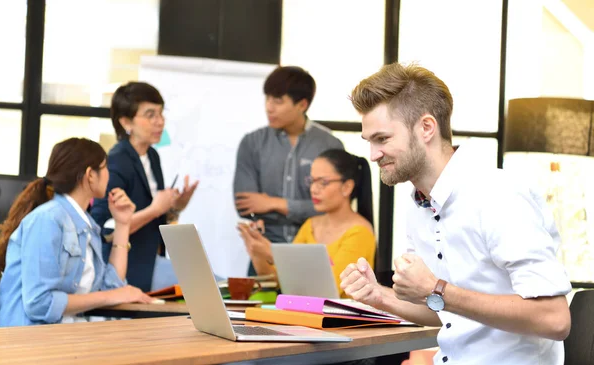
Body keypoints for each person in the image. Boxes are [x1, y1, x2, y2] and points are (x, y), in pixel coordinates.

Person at [339, 63, 572, 364]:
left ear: (426, 127)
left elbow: (554, 320)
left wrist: (436, 288)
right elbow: (445, 312)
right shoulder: (420, 203)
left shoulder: (498, 195)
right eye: (369, 141)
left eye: (382, 139)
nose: (372, 155)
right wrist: (378, 296)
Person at [0, 138, 153, 327]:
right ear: (90, 175)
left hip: (65, 335)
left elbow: (111, 285)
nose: (109, 175)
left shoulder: (86, 224)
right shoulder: (48, 220)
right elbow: (39, 303)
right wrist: (111, 296)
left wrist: (123, 224)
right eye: (105, 168)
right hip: (29, 342)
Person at [233, 66, 344, 274]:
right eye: (267, 99)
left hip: (315, 249)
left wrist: (275, 204)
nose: (269, 107)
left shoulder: (329, 144)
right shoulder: (252, 143)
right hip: (265, 252)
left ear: (302, 104)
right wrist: (301, 208)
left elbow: (334, 206)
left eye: (278, 101)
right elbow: (246, 205)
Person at [90, 82, 198, 292]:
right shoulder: (116, 161)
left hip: (152, 261)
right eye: (150, 115)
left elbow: (154, 219)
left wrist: (175, 207)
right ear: (126, 122)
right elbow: (105, 230)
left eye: (160, 113)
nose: (160, 122)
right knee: (205, 285)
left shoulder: (151, 156)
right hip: (128, 269)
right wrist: (156, 209)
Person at [239, 149, 375, 297]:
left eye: (323, 182)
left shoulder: (360, 232)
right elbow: (280, 281)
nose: (313, 189)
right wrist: (257, 251)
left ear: (347, 187)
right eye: (311, 181)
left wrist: (272, 254)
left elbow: (328, 290)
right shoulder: (311, 225)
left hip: (339, 319)